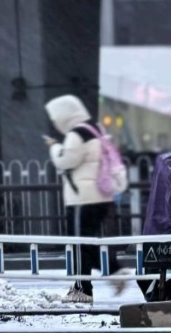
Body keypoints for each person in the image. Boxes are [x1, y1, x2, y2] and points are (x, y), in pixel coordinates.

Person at [44, 94, 123, 304]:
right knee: (86, 242)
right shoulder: (94, 129)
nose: (55, 122)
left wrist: (54, 147)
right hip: (100, 197)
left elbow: (66, 161)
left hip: (83, 200)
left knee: (80, 244)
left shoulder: (77, 134)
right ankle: (115, 272)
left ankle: (82, 290)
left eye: (55, 118)